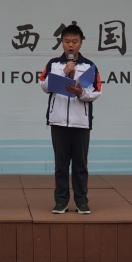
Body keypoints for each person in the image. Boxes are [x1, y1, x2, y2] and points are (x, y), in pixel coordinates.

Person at [40, 25, 102, 214]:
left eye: (75, 41)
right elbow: (44, 85)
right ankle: (61, 201)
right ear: (62, 43)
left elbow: (97, 91)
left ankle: (81, 201)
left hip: (80, 123)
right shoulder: (54, 64)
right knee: (61, 165)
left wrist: (81, 92)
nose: (71, 45)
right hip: (58, 122)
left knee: (80, 165)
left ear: (81, 43)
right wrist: (64, 72)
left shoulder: (89, 66)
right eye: (67, 41)